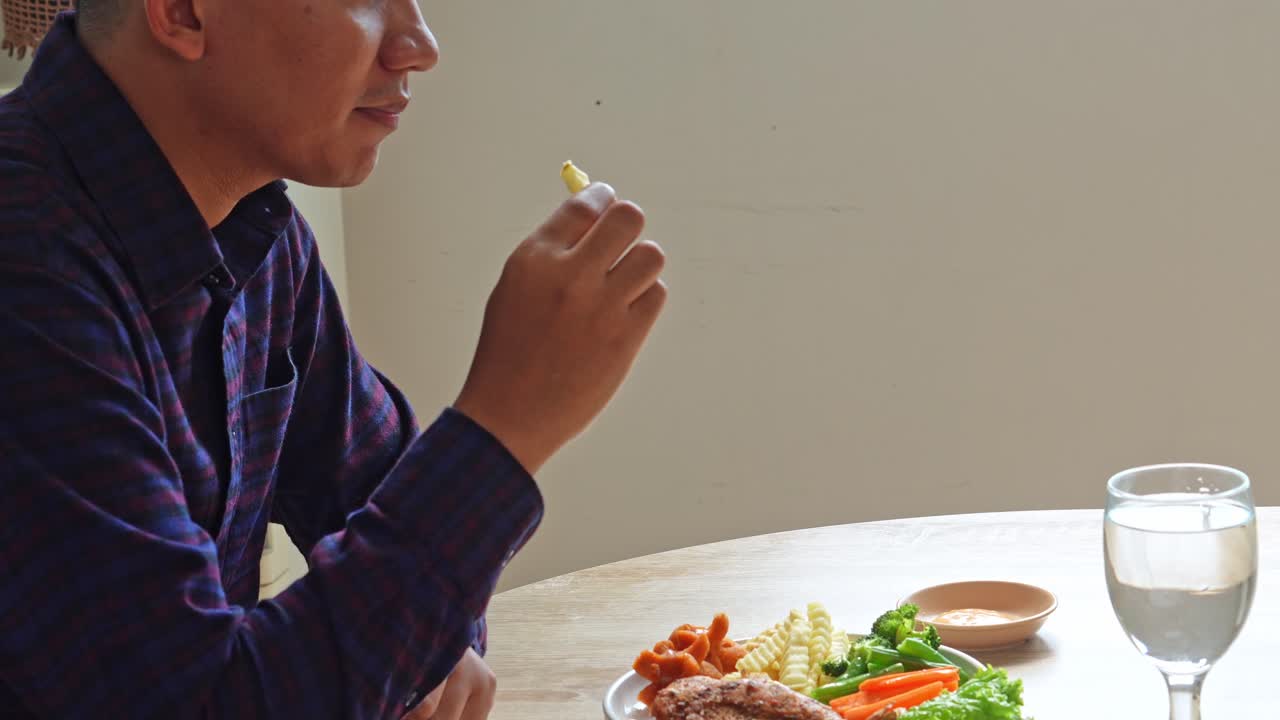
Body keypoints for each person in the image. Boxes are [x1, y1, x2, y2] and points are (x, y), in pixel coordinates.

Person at [0, 0, 667, 717]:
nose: (419, 46)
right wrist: (506, 427)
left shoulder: (257, 231)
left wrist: (415, 648)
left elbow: (388, 516)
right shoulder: (25, 259)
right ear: (184, 13)